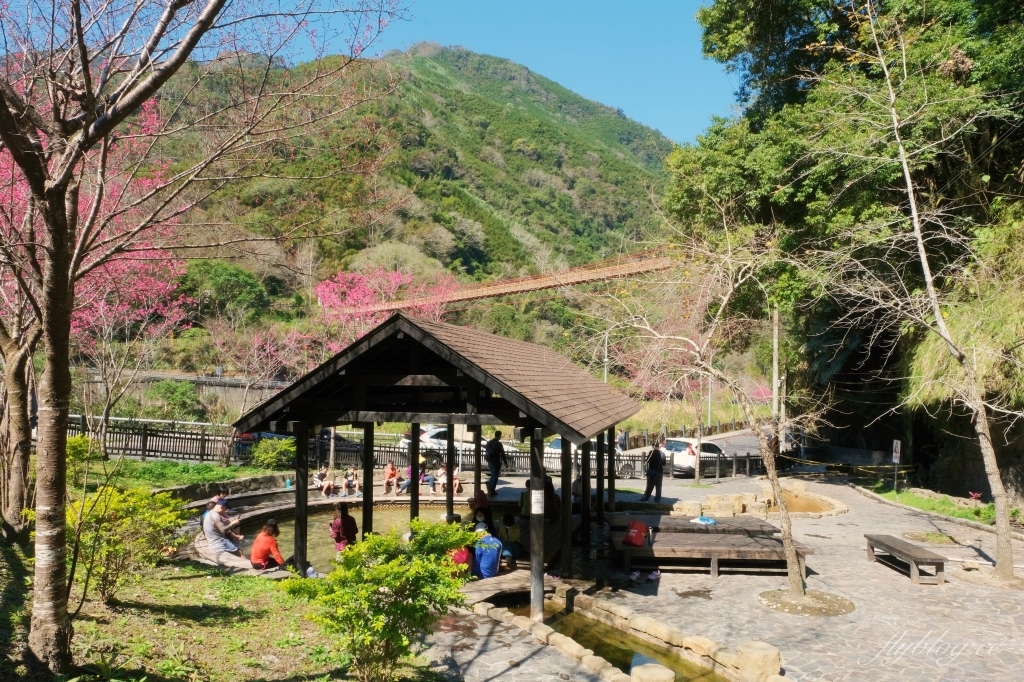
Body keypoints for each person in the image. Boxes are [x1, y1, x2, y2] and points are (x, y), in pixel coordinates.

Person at [484, 431, 507, 498]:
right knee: (495, 476)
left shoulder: (489, 442)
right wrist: (505, 462)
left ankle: (489, 488)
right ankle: (492, 490)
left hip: (489, 461)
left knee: (493, 475)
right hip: (496, 461)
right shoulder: (498, 444)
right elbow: (502, 454)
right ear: (499, 435)